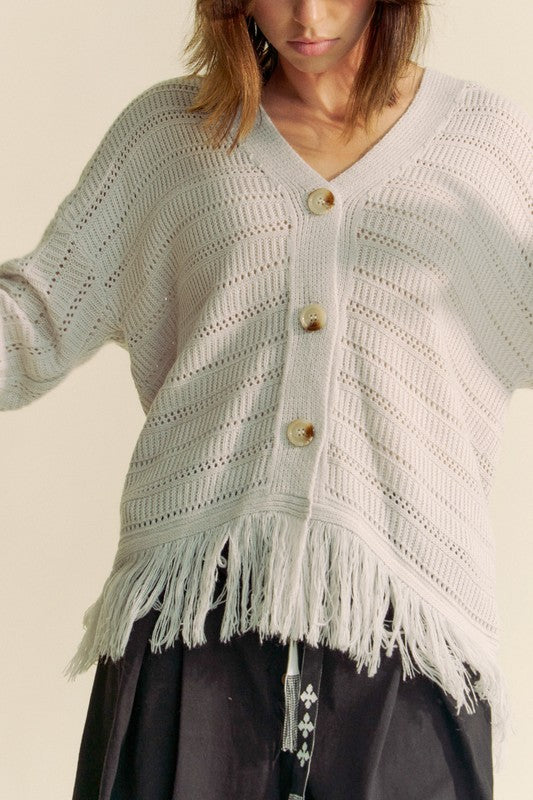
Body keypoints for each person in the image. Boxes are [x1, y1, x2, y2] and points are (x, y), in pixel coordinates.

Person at [1, 1, 531, 798]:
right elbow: (34, 321)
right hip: (194, 618)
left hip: (405, 626)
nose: (306, 15)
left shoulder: (485, 145)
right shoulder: (169, 137)